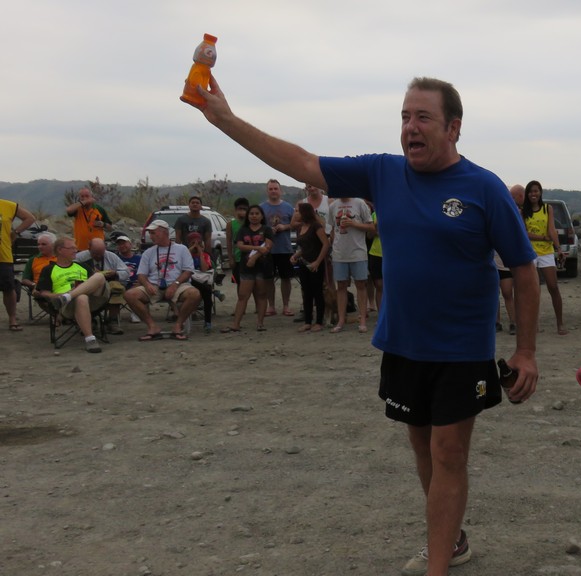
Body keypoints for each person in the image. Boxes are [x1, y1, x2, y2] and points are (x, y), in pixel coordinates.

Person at [188, 74, 540, 576]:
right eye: (404, 117)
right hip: (403, 341)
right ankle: (453, 539)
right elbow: (301, 162)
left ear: (453, 128)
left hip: (462, 347)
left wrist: (525, 351)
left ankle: (439, 564)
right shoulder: (382, 172)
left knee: (448, 451)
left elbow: (523, 268)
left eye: (423, 117)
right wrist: (225, 119)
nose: (410, 127)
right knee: (423, 448)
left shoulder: (483, 187)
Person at [124, 219, 201, 341]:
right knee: (130, 295)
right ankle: (152, 326)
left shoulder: (181, 249)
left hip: (177, 284)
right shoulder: (149, 252)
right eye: (150, 233)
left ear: (165, 232)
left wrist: (175, 284)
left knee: (195, 294)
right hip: (155, 285)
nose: (151, 236)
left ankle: (178, 325)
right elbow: (141, 275)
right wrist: (147, 284)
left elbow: (188, 271)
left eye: (153, 233)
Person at [34, 236, 111, 353]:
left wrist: (70, 294)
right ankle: (90, 339)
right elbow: (44, 293)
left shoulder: (82, 266)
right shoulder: (49, 269)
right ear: (60, 250)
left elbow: (96, 283)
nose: (76, 250)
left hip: (93, 301)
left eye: (76, 248)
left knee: (99, 276)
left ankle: (69, 296)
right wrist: (59, 295)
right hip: (67, 306)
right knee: (81, 297)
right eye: (72, 248)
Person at [522, 180, 568, 335]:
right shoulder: (523, 212)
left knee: (553, 287)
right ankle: (534, 324)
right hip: (530, 253)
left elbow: (552, 230)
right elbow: (524, 233)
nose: (533, 194)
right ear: (527, 194)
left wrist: (558, 248)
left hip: (547, 252)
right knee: (533, 290)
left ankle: (560, 324)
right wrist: (542, 237)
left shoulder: (547, 209)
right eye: (530, 191)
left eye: (536, 191)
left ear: (540, 192)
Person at [222, 205, 274, 333]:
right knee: (243, 295)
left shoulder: (267, 229)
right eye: (251, 213)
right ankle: (236, 324)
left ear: (261, 216)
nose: (254, 216)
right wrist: (257, 248)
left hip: (262, 266)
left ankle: (260, 323)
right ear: (248, 216)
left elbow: (267, 247)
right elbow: (240, 245)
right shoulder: (243, 230)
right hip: (246, 267)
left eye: (257, 213)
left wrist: (254, 258)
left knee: (261, 294)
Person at [328, 196, 373, 333]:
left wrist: (353, 224)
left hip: (358, 252)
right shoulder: (333, 206)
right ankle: (341, 320)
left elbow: (371, 227)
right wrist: (332, 249)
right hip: (339, 253)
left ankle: (363, 320)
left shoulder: (360, 203)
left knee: (361, 285)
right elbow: (332, 230)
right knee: (341, 286)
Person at [74, 237, 130, 335]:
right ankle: (90, 321)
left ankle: (112, 321)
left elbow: (126, 272)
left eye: (101, 253)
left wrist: (115, 273)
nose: (99, 256)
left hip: (108, 285)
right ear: (89, 249)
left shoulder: (111, 256)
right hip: (88, 286)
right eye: (95, 254)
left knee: (116, 288)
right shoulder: (79, 258)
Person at [291, 202, 329, 332]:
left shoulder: (316, 226)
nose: (296, 214)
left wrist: (318, 262)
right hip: (304, 263)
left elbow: (325, 244)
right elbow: (305, 247)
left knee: (317, 292)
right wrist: (295, 256)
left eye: (298, 211)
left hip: (315, 264)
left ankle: (319, 321)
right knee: (306, 292)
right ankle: (308, 321)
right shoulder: (301, 227)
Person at [260, 179, 296, 317]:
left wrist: (285, 227)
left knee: (286, 278)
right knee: (268, 279)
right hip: (267, 249)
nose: (273, 191)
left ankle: (286, 305)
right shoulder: (261, 208)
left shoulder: (288, 207)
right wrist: (267, 231)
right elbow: (256, 227)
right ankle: (271, 306)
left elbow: (295, 224)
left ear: (280, 191)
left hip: (284, 248)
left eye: (275, 188)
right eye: (271, 189)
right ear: (267, 191)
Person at [2, 197, 36, 331]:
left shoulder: (7, 205)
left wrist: (15, 232)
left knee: (8, 288)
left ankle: (12, 319)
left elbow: (30, 218)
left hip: (3, 255)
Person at [495, 184, 526, 335]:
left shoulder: (516, 213)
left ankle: (513, 322)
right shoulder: (493, 212)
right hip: (493, 260)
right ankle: (496, 322)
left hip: (505, 261)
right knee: (494, 294)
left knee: (507, 292)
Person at [185, 232, 216, 332]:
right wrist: (190, 251)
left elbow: (204, 269)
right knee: (206, 289)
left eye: (198, 243)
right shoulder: (185, 254)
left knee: (207, 293)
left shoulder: (205, 255)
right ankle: (214, 292)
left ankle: (208, 322)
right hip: (189, 281)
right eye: (193, 243)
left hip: (201, 281)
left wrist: (201, 254)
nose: (196, 246)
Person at [174, 196, 214, 261]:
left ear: (201, 206)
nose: (195, 204)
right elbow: (178, 238)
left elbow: (207, 241)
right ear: (189, 205)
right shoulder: (181, 220)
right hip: (185, 253)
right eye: (192, 203)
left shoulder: (206, 221)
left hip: (200, 253)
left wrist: (208, 256)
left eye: (197, 203)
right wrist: (177, 254)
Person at [225, 197, 250, 292]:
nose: (242, 211)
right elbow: (229, 242)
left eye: (245, 209)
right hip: (238, 257)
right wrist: (231, 258)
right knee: (240, 283)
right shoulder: (230, 224)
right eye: (240, 209)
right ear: (236, 210)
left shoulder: (251, 223)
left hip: (250, 255)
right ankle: (241, 299)